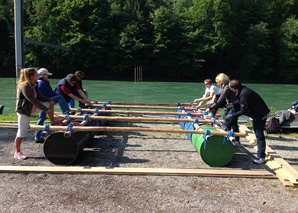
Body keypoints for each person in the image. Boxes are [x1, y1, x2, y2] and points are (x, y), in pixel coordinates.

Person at [14, 68, 55, 160]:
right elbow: (32, 99)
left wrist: (49, 101)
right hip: (24, 111)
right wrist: (45, 109)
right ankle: (17, 152)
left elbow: (40, 96)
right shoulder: (24, 86)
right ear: (31, 76)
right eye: (36, 75)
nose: (38, 76)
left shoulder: (34, 84)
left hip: (31, 108)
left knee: (48, 103)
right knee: (21, 132)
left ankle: (53, 123)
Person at [228, 79, 270, 164]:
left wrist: (232, 115)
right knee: (258, 134)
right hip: (259, 112)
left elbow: (244, 111)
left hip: (260, 115)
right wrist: (232, 104)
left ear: (233, 88)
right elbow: (242, 102)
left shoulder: (243, 94)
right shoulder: (243, 90)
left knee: (259, 135)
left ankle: (261, 157)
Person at [34, 68, 71, 143]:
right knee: (60, 97)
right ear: (43, 75)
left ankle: (37, 137)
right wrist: (56, 97)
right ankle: (66, 111)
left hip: (44, 101)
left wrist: (56, 95)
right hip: (45, 101)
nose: (48, 76)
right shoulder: (41, 83)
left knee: (42, 118)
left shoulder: (44, 82)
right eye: (47, 75)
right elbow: (47, 94)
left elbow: (51, 92)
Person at [205, 73, 241, 143]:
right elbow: (221, 94)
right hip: (230, 105)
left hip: (234, 106)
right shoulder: (226, 86)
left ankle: (231, 139)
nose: (217, 84)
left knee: (230, 122)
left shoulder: (227, 87)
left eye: (218, 82)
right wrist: (215, 95)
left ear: (221, 81)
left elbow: (219, 101)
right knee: (231, 122)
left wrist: (209, 108)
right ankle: (232, 139)